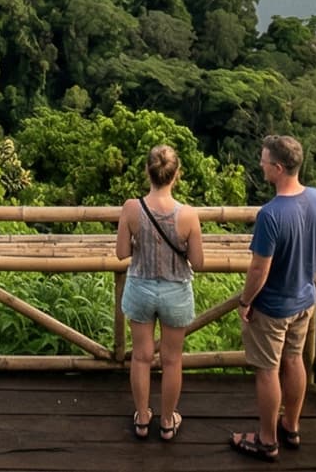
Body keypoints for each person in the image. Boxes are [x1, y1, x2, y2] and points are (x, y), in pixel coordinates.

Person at [231, 133, 316, 460]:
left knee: (268, 370)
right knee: (294, 360)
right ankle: (291, 426)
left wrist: (246, 301)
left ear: (277, 168)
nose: (260, 167)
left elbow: (259, 270)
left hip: (273, 306)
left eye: (263, 163)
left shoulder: (270, 215)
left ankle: (267, 440)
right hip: (305, 299)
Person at [116, 142, 205, 442]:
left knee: (140, 358)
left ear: (147, 172)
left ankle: (142, 418)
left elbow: (121, 253)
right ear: (176, 174)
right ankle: (167, 422)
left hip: (140, 285)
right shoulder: (188, 214)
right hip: (175, 290)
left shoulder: (131, 208)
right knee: (172, 360)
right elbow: (198, 261)